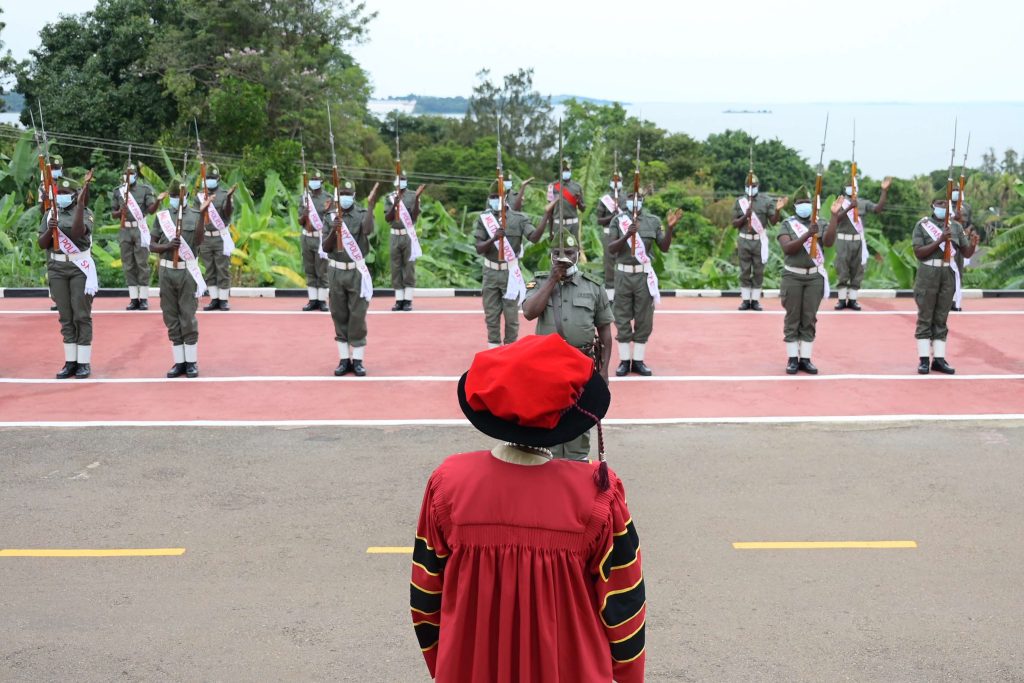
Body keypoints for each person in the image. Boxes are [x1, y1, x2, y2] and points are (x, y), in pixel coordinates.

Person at [412, 334, 645, 683]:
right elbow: (625, 607)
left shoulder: (448, 484)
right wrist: (628, 678)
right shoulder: (598, 493)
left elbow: (425, 597)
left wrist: (449, 663)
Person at [522, 228, 613, 461]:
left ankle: (577, 462)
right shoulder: (541, 281)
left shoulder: (593, 286)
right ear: (550, 255)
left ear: (578, 254)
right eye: (557, 253)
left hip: (581, 363)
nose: (563, 258)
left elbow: (604, 330)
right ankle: (547, 461)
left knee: (579, 417)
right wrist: (552, 280)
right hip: (546, 364)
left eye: (570, 252)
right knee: (547, 413)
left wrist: (604, 370)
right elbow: (529, 313)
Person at [608, 192, 683, 376]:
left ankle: (639, 361)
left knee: (644, 318)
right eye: (632, 197)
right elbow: (611, 249)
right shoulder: (618, 220)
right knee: (622, 316)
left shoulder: (653, 221)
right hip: (623, 275)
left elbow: (664, 248)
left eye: (639, 198)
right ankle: (625, 361)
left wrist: (670, 228)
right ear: (625, 201)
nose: (635, 201)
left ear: (643, 201)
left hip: (643, 276)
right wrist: (627, 235)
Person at [149, 179, 212, 378]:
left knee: (187, 314)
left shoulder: (195, 214)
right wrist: (167, 247)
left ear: (185, 197)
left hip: (187, 271)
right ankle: (179, 362)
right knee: (170, 315)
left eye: (179, 196)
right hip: (167, 271)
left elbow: (200, 240)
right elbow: (151, 245)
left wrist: (202, 215)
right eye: (173, 196)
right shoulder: (162, 217)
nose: (176, 199)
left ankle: (191, 362)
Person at [37, 171, 97, 379]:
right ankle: (70, 362)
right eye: (59, 192)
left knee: (81, 314)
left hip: (79, 267)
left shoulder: (86, 212)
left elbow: (79, 233)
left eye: (66, 192)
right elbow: (42, 244)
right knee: (66, 316)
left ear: (74, 195)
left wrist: (80, 206)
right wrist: (49, 229)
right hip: (57, 269)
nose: (61, 195)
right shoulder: (50, 214)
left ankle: (84, 362)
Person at [777, 188, 843, 374]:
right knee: (793, 317)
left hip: (814, 277)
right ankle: (792, 359)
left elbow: (829, 242)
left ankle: (805, 359)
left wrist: (834, 216)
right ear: (795, 206)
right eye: (800, 203)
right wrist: (807, 235)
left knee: (809, 318)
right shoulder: (787, 224)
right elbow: (788, 248)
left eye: (807, 202)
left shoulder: (819, 222)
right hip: (792, 276)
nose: (804, 206)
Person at [473, 183, 548, 348]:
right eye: (491, 197)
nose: (494, 200)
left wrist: (546, 216)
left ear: (504, 197)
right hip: (490, 272)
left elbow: (534, 238)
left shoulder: (519, 219)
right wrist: (494, 238)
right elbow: (479, 248)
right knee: (491, 316)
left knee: (511, 317)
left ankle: (509, 351)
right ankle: (493, 351)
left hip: (510, 273)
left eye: (496, 197)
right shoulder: (484, 219)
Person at [912, 196, 978, 374]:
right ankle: (924, 360)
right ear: (932, 206)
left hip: (947, 273)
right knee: (925, 316)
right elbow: (919, 252)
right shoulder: (922, 225)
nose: (942, 206)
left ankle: (939, 360)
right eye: (939, 203)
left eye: (945, 203)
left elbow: (965, 252)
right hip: (928, 273)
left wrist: (972, 244)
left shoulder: (957, 227)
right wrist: (940, 239)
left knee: (941, 317)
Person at [322, 180, 380, 376]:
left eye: (349, 193)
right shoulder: (330, 216)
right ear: (338, 195)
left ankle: (358, 361)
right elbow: (325, 247)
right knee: (339, 314)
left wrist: (371, 205)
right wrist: (334, 229)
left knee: (357, 314)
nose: (346, 196)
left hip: (356, 271)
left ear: (354, 195)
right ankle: (344, 359)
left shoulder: (362, 214)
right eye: (343, 193)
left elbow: (368, 230)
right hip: (336, 271)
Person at [834, 176, 891, 310]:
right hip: (843, 240)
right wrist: (849, 208)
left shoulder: (863, 203)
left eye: (853, 186)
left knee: (857, 269)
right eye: (848, 186)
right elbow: (836, 219)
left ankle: (853, 299)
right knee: (842, 269)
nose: (851, 188)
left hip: (858, 241)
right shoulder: (840, 203)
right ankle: (841, 300)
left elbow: (877, 209)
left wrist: (884, 191)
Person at [111, 163, 162, 310]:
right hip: (125, 229)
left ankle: (144, 298)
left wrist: (158, 201)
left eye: (131, 174)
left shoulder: (144, 190)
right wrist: (121, 211)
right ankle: (134, 299)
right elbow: (113, 214)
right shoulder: (118, 191)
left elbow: (151, 210)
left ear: (136, 175)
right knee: (128, 264)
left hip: (140, 229)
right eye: (126, 174)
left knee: (142, 263)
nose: (129, 177)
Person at [731, 175, 786, 310]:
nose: (751, 189)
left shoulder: (766, 201)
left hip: (759, 241)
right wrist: (745, 216)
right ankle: (745, 300)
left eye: (754, 186)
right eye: (749, 186)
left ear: (758, 186)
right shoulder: (739, 202)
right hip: (744, 239)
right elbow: (734, 224)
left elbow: (773, 221)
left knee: (758, 270)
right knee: (744, 270)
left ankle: (755, 300)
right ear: (745, 187)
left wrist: (778, 210)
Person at [384, 173, 425, 311]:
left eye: (404, 180)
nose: (401, 182)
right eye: (399, 180)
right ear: (395, 181)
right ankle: (399, 300)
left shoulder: (413, 195)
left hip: (408, 235)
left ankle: (408, 300)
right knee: (395, 267)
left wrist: (417, 199)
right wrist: (395, 204)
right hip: (395, 235)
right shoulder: (389, 197)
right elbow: (387, 218)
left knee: (409, 266)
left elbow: (414, 216)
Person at [197, 165, 235, 311]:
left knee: (222, 268)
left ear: (218, 179)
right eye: (207, 178)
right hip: (206, 238)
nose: (209, 181)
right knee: (209, 268)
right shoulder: (199, 196)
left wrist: (230, 197)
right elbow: (196, 215)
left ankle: (223, 299)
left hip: (221, 237)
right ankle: (214, 299)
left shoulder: (225, 194)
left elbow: (228, 213)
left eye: (212, 178)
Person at [298, 169, 331, 312]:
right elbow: (300, 221)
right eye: (311, 179)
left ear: (322, 182)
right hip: (306, 237)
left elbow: (331, 220)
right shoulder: (305, 198)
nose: (313, 182)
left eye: (316, 180)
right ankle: (312, 300)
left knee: (322, 270)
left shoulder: (328, 199)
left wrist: (325, 211)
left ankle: (322, 300)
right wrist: (304, 214)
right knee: (309, 269)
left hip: (320, 238)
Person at [596, 171, 626, 302]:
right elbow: (599, 220)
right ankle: (610, 292)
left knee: (624, 259)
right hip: (609, 233)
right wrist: (611, 216)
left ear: (622, 181)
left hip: (624, 233)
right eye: (614, 180)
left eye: (618, 180)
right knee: (609, 262)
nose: (616, 183)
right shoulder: (605, 200)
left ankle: (624, 290)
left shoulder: (626, 198)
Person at [950, 187, 975, 312]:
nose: (955, 193)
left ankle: (955, 301)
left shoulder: (967, 207)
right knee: (946, 273)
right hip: (948, 241)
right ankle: (945, 301)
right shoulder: (946, 206)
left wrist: (968, 230)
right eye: (953, 190)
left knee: (958, 273)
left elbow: (971, 222)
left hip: (961, 241)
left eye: (957, 190)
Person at [547, 158, 585, 239]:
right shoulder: (552, 186)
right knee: (557, 250)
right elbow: (549, 211)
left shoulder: (577, 187)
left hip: (573, 225)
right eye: (563, 170)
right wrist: (550, 231)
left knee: (573, 250)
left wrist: (578, 201)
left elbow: (583, 209)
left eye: (567, 170)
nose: (565, 172)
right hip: (558, 225)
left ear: (570, 171)